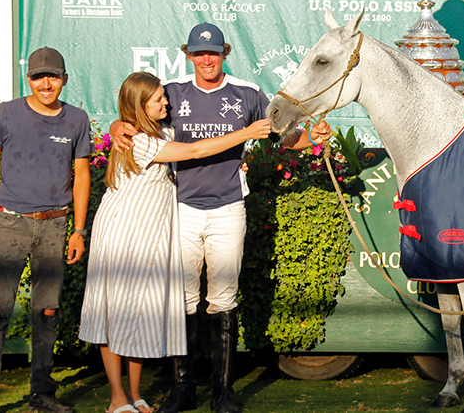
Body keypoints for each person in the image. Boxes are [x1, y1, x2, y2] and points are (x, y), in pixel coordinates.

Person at [111, 22, 331, 413]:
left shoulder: (246, 93)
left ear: (224, 53)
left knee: (223, 300)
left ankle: (222, 393)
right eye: (198, 53)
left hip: (229, 208)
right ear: (189, 55)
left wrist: (314, 137)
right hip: (181, 210)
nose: (206, 59)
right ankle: (183, 391)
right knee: (182, 301)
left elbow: (280, 135)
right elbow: (137, 122)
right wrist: (117, 125)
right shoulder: (173, 95)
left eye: (212, 53)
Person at [79, 72, 273, 413]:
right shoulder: (140, 140)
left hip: (148, 232)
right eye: (158, 100)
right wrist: (245, 133)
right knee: (115, 314)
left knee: (139, 311)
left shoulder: (158, 130)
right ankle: (118, 398)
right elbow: (196, 149)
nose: (166, 102)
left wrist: (116, 124)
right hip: (123, 232)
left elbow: (167, 132)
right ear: (141, 106)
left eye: (163, 98)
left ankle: (137, 395)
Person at [0, 47, 91, 413]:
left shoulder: (76, 119)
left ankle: (42, 393)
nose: (46, 83)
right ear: (29, 79)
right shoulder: (5, 114)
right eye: (39, 77)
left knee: (47, 312)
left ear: (65, 79)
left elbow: (82, 175)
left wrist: (78, 230)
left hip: (55, 225)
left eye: (53, 76)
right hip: (10, 223)